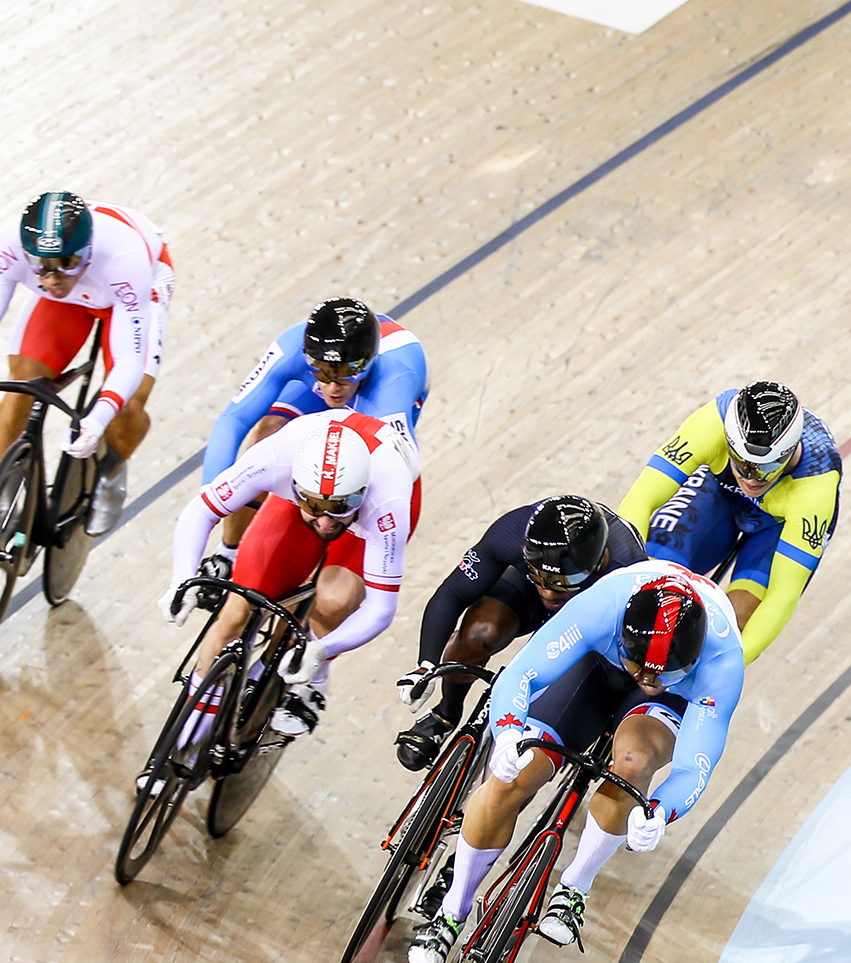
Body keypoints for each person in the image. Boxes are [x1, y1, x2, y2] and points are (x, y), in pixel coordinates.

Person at [405, 561, 744, 963]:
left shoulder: (722, 662)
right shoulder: (603, 605)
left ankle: (575, 886)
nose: (648, 679)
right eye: (639, 665)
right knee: (514, 774)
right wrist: (509, 731)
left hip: (668, 704)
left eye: (664, 672)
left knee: (634, 764)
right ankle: (452, 910)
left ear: (692, 661)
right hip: (600, 667)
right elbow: (522, 674)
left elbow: (695, 767)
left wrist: (660, 810)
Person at [165, 408, 421, 739]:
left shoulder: (388, 501)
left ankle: (313, 681)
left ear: (360, 492)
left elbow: (381, 608)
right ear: (296, 484)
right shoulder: (277, 457)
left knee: (332, 600)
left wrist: (322, 650)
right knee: (236, 610)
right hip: (312, 494)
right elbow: (202, 509)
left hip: (374, 513)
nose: (327, 521)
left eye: (340, 507)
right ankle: (189, 735)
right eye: (314, 506)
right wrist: (181, 579)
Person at [0, 191, 175, 534]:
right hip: (72, 300)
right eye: (41, 265)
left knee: (126, 406)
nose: (54, 278)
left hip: (130, 290)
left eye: (66, 262)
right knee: (22, 384)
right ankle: (5, 496)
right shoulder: (10, 247)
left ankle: (112, 470)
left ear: (86, 249)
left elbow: (128, 362)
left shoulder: (124, 256)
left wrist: (98, 419)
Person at [392, 495, 645, 772]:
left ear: (599, 563)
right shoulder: (512, 531)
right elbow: (453, 593)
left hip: (593, 611)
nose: (549, 592)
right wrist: (426, 664)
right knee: (480, 633)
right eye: (541, 576)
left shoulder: (628, 571)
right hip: (528, 594)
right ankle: (446, 714)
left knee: (552, 697)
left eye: (562, 582)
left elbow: (632, 660)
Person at [192, 298, 429, 590]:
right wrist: (212, 499)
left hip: (374, 395)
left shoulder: (392, 378)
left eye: (344, 373)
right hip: (336, 381)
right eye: (321, 371)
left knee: (353, 463)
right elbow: (233, 421)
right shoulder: (292, 346)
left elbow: (402, 467)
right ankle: (228, 553)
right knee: (266, 433)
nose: (332, 385)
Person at [616, 382, 841, 662]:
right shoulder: (710, 424)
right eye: (742, 463)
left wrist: (728, 668)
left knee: (734, 624)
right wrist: (623, 586)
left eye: (765, 468)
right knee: (650, 571)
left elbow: (782, 596)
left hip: (778, 524)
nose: (750, 478)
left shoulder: (815, 490)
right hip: (721, 493)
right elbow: (640, 500)